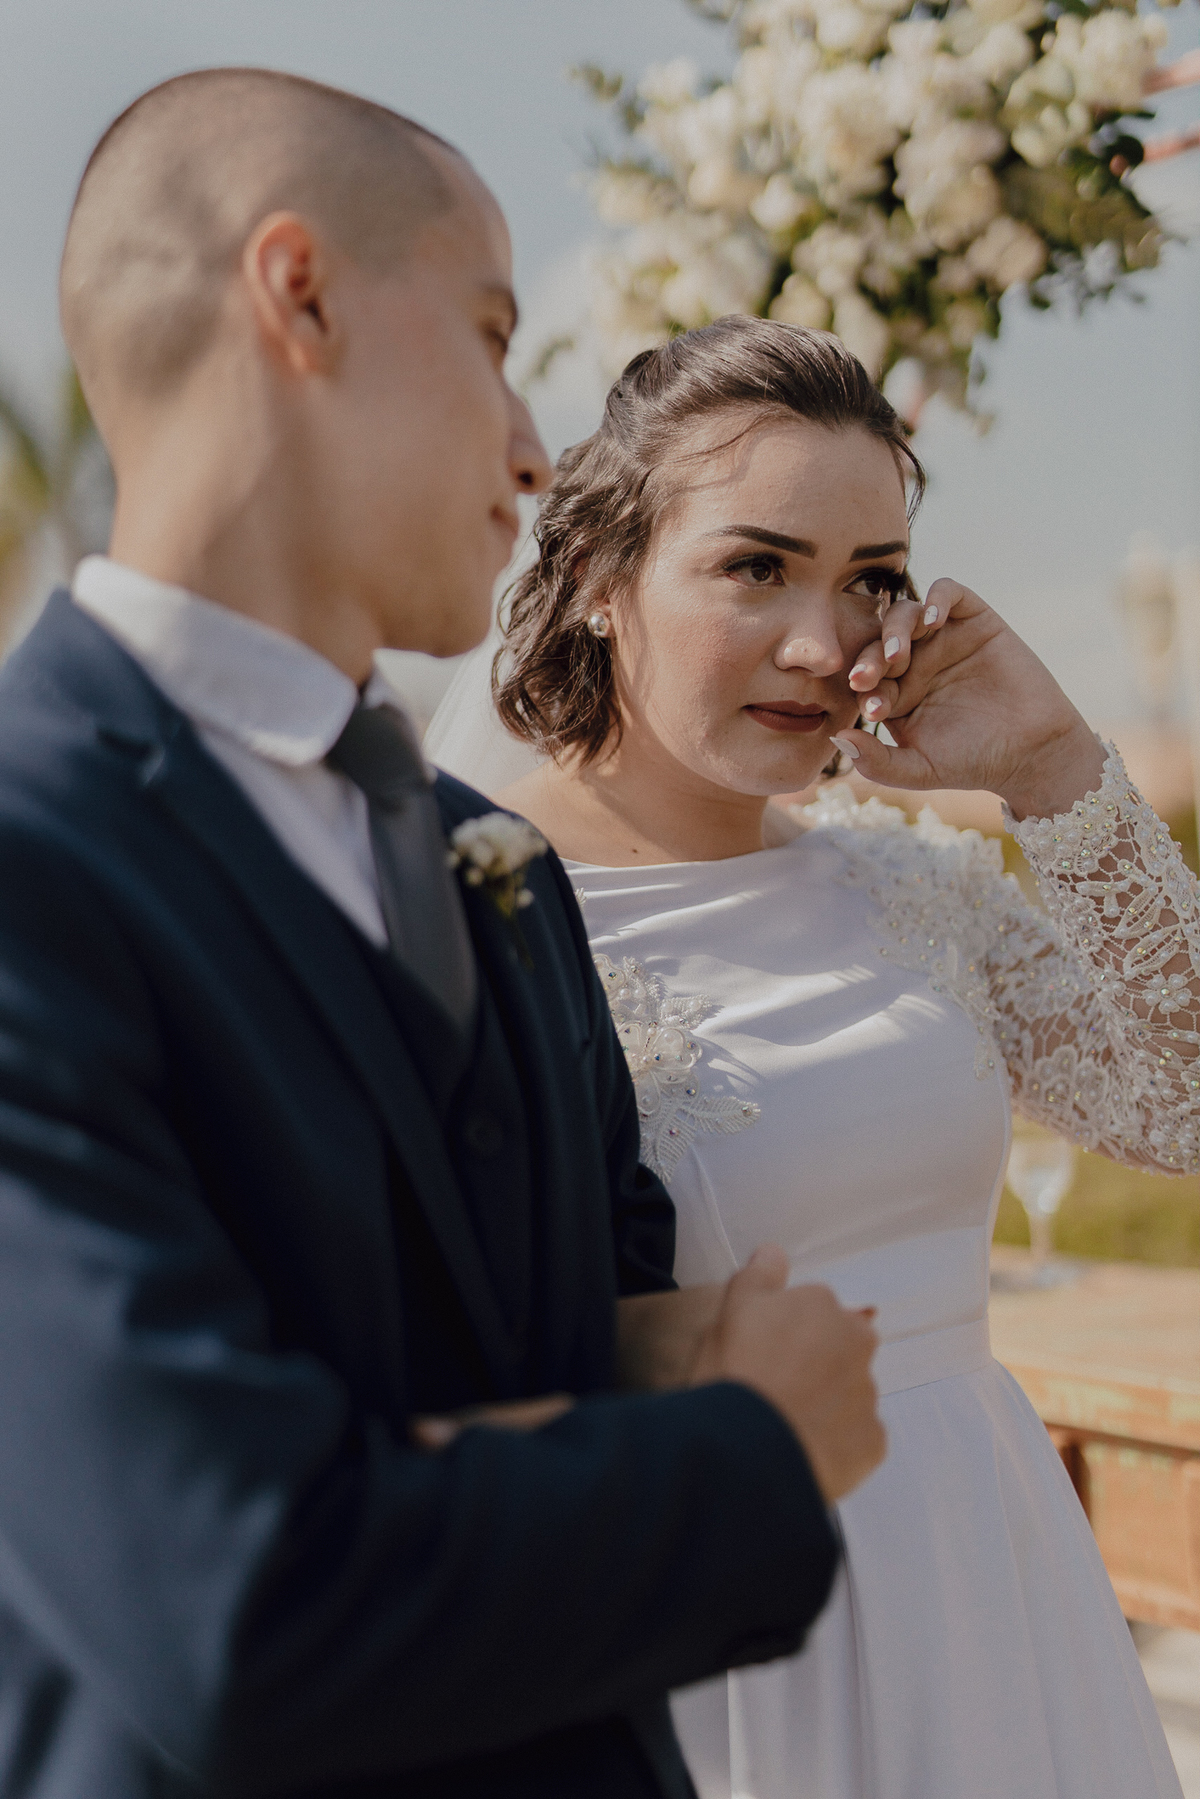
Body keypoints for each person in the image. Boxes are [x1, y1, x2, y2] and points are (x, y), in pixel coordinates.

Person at [0, 74, 889, 1799]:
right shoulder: (30, 866)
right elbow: (244, 1599)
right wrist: (754, 1448)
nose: (535, 443)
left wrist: (644, 1358)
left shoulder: (492, 862)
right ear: (302, 294)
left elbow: (573, 1323)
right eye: (491, 332)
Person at [430, 317, 1191, 1799]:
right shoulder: (475, 907)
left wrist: (1050, 767)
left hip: (991, 1572)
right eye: (756, 567)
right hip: (719, 1609)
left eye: (872, 583)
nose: (821, 645)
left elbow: (1193, 1102)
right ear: (597, 577)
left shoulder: (908, 879)